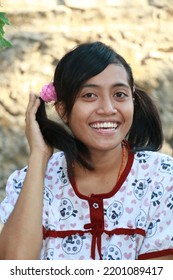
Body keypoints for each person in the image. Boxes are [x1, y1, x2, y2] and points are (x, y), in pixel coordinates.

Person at [0, 41, 173, 260]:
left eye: (119, 94)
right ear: (62, 109)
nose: (108, 109)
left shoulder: (163, 178)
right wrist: (38, 157)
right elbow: (14, 268)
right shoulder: (28, 181)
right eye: (89, 95)